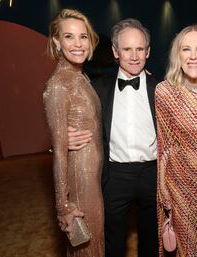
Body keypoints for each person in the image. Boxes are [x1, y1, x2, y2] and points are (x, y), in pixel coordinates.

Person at [67, 18, 159, 257]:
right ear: (115, 51)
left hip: (154, 173)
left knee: (152, 236)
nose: (134, 56)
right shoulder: (96, 89)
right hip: (115, 175)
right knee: (113, 239)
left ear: (148, 51)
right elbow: (70, 120)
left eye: (140, 49)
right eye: (127, 49)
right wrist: (65, 139)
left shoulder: (161, 89)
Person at [155, 24, 197, 257]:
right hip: (180, 186)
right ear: (178, 55)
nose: (193, 56)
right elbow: (165, 145)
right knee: (188, 248)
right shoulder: (165, 92)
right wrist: (163, 188)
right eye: (186, 49)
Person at [43, 9, 104, 256]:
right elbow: (59, 151)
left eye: (84, 36)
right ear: (57, 42)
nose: (78, 44)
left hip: (92, 179)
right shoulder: (58, 85)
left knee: (93, 244)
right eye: (69, 37)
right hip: (80, 183)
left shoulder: (80, 77)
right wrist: (63, 206)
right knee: (86, 249)